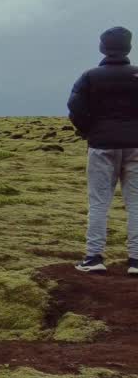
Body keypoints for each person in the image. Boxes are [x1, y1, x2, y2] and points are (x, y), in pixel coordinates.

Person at [69, 26, 138, 274]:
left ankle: (94, 257)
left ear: (102, 47)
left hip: (101, 145)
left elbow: (75, 108)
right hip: (136, 146)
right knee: (136, 203)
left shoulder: (90, 76)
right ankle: (136, 261)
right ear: (129, 47)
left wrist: (89, 131)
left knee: (99, 203)